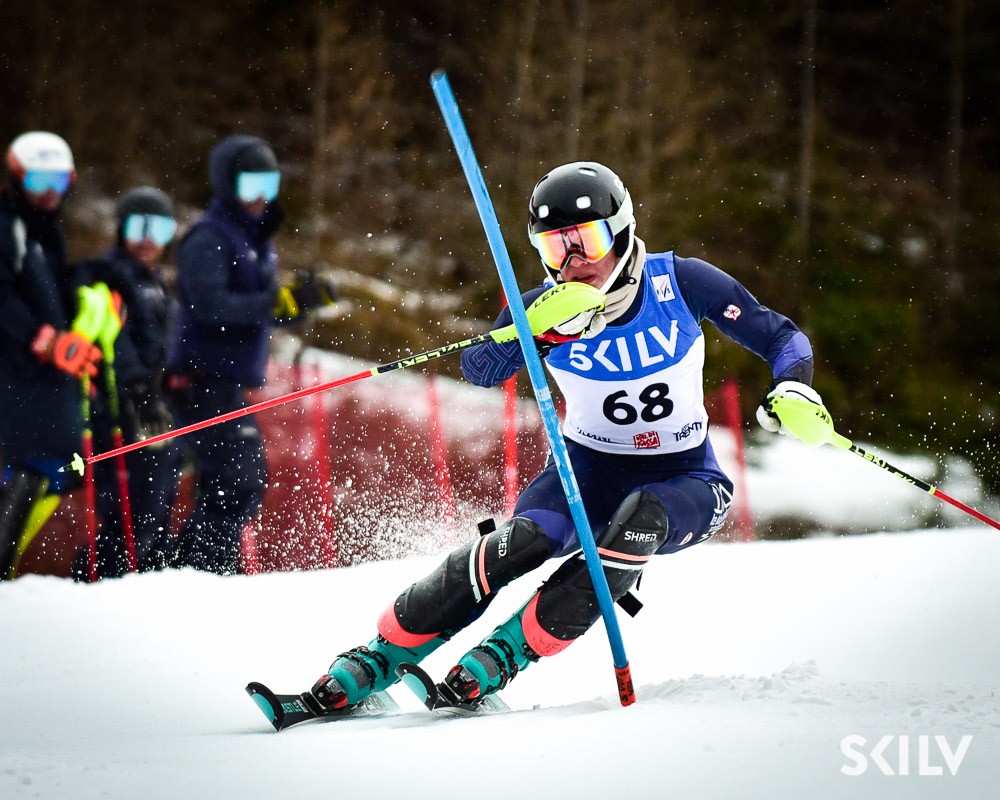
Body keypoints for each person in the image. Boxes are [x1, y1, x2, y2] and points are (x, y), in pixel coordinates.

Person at [304, 161, 826, 711]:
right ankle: (377, 658)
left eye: (587, 241)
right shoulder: (539, 306)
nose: (575, 262)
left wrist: (794, 387)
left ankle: (502, 656)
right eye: (556, 248)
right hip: (587, 473)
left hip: (686, 477)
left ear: (621, 233)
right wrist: (537, 332)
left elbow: (780, 335)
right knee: (519, 544)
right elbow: (479, 369)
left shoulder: (681, 281)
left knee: (642, 519)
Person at [166, 135, 333, 576]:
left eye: (268, 185)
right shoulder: (209, 237)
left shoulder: (251, 238)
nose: (260, 197)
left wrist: (296, 302)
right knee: (237, 481)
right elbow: (211, 305)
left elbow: (256, 308)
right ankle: (196, 573)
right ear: (227, 184)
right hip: (200, 379)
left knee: (235, 482)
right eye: (249, 185)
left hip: (225, 380)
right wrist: (273, 302)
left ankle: (196, 572)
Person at [0, 131, 107, 579]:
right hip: (14, 374)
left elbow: (52, 290)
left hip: (47, 381)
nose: (48, 192)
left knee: (56, 472)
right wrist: (40, 338)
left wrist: (87, 297)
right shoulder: (8, 224)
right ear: (17, 176)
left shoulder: (47, 231)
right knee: (25, 467)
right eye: (38, 180)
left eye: (58, 181)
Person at [69, 187, 182, 578]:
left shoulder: (158, 282)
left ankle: (146, 583)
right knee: (131, 516)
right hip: (119, 411)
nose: (148, 240)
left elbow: (165, 343)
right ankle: (96, 583)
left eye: (159, 230)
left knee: (157, 512)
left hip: (156, 408)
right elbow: (113, 339)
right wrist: (137, 389)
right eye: (139, 228)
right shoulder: (108, 274)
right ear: (121, 230)